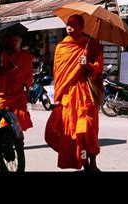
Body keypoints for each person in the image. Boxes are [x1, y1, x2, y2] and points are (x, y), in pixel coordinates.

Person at [50, 14, 104, 171]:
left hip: (86, 93)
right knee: (74, 132)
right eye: (68, 24)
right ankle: (84, 163)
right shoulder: (61, 47)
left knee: (88, 130)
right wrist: (58, 96)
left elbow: (99, 69)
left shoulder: (91, 45)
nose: (69, 27)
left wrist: (87, 65)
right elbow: (58, 73)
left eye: (73, 24)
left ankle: (93, 163)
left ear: (82, 27)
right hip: (69, 95)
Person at [0, 32, 34, 131]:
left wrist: (28, 90)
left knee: (20, 115)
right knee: (4, 116)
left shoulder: (26, 57)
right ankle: (6, 137)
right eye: (12, 40)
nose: (14, 42)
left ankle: (18, 138)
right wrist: (8, 69)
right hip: (5, 91)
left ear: (21, 41)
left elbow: (29, 75)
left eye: (16, 40)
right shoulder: (3, 55)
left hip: (19, 90)